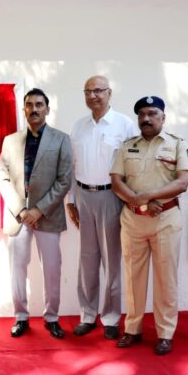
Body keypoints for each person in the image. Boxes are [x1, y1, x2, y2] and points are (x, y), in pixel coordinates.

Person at [111, 96, 188, 355]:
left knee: (165, 279)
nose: (146, 118)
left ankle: (165, 333)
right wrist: (140, 202)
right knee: (133, 277)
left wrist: (147, 197)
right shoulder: (127, 147)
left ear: (163, 117)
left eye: (152, 113)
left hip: (165, 220)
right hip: (133, 220)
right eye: (142, 114)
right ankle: (133, 329)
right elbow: (116, 181)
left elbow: (182, 183)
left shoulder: (177, 145)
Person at [0, 88, 73, 339]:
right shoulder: (10, 140)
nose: (34, 109)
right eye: (29, 105)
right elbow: (3, 177)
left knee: (52, 268)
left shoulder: (61, 139)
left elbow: (64, 180)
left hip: (47, 216)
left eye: (39, 104)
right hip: (17, 217)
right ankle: (21, 316)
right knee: (17, 268)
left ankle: (51, 317)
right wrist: (21, 210)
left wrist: (39, 210)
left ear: (47, 109)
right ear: (24, 109)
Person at [67, 75, 139, 339]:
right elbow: (74, 166)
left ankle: (110, 318)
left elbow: (134, 164)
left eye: (98, 90)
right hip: (83, 196)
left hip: (112, 197)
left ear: (110, 93)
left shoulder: (124, 125)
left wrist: (130, 199)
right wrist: (71, 200)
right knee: (86, 260)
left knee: (111, 260)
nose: (92, 96)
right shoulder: (79, 127)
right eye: (88, 91)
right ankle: (87, 314)